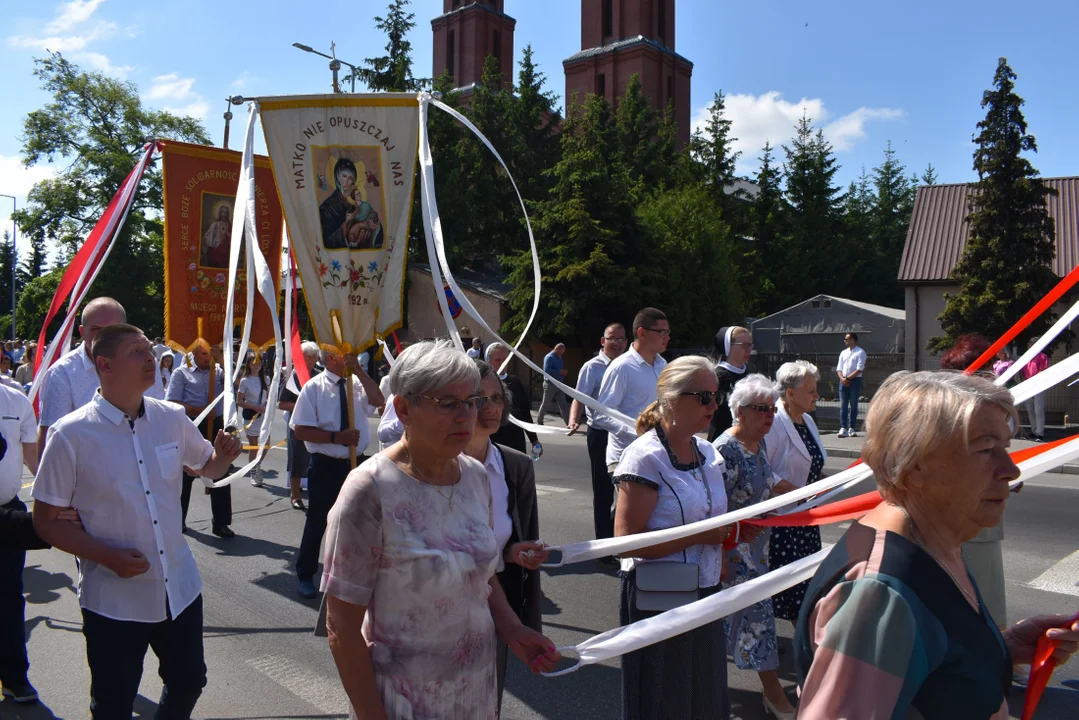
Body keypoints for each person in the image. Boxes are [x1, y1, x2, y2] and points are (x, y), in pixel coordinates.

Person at [794, 370, 1079, 718]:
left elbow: (921, 664)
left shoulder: (935, 541)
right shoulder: (879, 594)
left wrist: (996, 649)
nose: (1010, 469)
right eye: (986, 447)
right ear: (913, 466)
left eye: (1005, 446)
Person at [321, 340, 560, 717]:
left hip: (475, 691)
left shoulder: (476, 477)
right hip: (403, 701)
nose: (467, 417)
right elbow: (341, 628)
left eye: (473, 402)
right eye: (448, 404)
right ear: (403, 408)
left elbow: (479, 572)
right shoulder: (369, 490)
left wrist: (512, 629)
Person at [32, 323, 242, 719]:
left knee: (188, 681)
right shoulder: (70, 435)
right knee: (113, 703)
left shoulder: (172, 417)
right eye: (136, 352)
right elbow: (46, 521)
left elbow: (206, 468)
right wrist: (106, 556)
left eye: (149, 349)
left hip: (178, 587)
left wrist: (223, 457)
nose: (150, 358)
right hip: (113, 599)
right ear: (105, 365)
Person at [613, 355, 732, 720]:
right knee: (666, 700)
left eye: (717, 396)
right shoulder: (644, 457)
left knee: (705, 694)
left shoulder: (710, 453)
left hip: (705, 586)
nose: (713, 406)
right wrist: (703, 535)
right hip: (660, 588)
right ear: (670, 399)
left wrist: (727, 546)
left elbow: (716, 520)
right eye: (703, 397)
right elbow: (627, 542)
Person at [463, 360, 549, 710]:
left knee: (487, 704)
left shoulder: (515, 466)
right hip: (439, 614)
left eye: (497, 397)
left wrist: (515, 553)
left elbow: (515, 541)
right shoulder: (432, 466)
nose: (491, 408)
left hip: (496, 612)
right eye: (478, 399)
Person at [714, 375, 799, 719]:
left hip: (756, 550)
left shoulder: (757, 443)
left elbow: (770, 478)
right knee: (757, 620)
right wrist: (722, 553)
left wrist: (807, 495)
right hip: (731, 551)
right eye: (762, 409)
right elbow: (712, 509)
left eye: (772, 409)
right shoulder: (726, 450)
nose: (769, 416)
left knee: (730, 623)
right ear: (740, 412)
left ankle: (708, 687)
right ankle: (774, 695)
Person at [290, 346, 384, 599]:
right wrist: (337, 438)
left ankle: (352, 574)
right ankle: (305, 573)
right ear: (331, 357)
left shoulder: (356, 384)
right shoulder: (314, 387)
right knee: (318, 520)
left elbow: (379, 400)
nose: (352, 356)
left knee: (359, 521)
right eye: (346, 354)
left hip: (356, 464)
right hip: (326, 464)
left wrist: (361, 371)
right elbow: (301, 431)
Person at [37, 297, 166, 463]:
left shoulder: (148, 363)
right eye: (97, 330)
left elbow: (158, 417)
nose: (105, 338)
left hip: (145, 472)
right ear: (82, 332)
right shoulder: (61, 374)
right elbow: (50, 444)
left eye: (114, 331)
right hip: (88, 479)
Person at [939, 333, 1009, 630]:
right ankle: (994, 661)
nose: (995, 375)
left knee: (983, 595)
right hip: (966, 519)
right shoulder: (957, 416)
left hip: (978, 518)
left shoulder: (984, 412)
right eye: (989, 370)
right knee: (976, 600)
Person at [764, 360, 827, 624]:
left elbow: (815, 464)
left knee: (807, 589)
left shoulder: (808, 420)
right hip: (784, 521)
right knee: (793, 593)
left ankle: (805, 645)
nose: (817, 396)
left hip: (806, 519)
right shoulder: (774, 422)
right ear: (790, 393)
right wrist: (798, 492)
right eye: (811, 391)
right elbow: (764, 471)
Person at [0, 381, 42, 703]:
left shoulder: (16, 401)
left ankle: (14, 676)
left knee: (9, 597)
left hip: (6, 513)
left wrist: (63, 495)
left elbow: (33, 459)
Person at [166, 342, 235, 538]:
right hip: (192, 424)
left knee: (221, 472)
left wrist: (221, 357)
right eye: (205, 353)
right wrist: (199, 410)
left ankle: (221, 522)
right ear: (194, 352)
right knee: (185, 474)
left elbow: (234, 383)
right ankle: (178, 520)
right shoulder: (182, 373)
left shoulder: (220, 371)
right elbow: (171, 402)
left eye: (211, 352)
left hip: (217, 425)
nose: (208, 356)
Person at [568, 323, 628, 543]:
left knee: (628, 489)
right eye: (612, 339)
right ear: (603, 341)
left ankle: (620, 535)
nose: (617, 344)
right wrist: (574, 420)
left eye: (622, 339)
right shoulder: (592, 367)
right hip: (601, 433)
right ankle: (604, 542)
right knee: (603, 491)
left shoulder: (627, 365)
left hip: (626, 435)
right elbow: (579, 397)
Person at [595, 307, 670, 473]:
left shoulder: (662, 365)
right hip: (626, 458)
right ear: (642, 332)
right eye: (661, 332)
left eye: (668, 332)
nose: (667, 337)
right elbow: (601, 414)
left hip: (655, 455)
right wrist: (634, 430)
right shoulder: (622, 367)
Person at [278, 341, 321, 510]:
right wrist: (302, 406)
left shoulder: (320, 375)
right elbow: (282, 403)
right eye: (307, 356)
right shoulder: (293, 376)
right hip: (297, 423)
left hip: (317, 424)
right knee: (297, 458)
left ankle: (313, 491)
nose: (310, 360)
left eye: (313, 356)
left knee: (315, 458)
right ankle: (295, 495)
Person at [485, 343, 541, 456]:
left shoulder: (515, 382)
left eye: (505, 359)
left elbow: (525, 413)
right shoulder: (484, 384)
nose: (502, 363)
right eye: (498, 360)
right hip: (493, 441)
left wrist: (534, 440)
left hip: (516, 440)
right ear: (488, 361)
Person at [707, 325, 752, 441]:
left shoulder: (749, 375)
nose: (748, 349)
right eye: (743, 345)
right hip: (722, 436)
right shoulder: (717, 376)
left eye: (750, 344)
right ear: (728, 347)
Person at [237, 351, 269, 487]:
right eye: (253, 363)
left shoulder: (266, 379)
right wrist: (254, 407)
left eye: (259, 363)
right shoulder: (245, 381)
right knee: (254, 447)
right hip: (251, 416)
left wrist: (265, 406)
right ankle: (254, 473)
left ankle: (257, 464)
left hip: (264, 416)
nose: (256, 365)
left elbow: (269, 397)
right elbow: (240, 401)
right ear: (249, 364)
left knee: (266, 444)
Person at [320, 157, 362, 250]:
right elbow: (326, 243)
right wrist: (346, 222)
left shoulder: (353, 206)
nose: (346, 182)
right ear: (337, 177)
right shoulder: (327, 207)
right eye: (344, 176)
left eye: (350, 178)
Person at [835, 332, 866, 438]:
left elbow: (859, 369)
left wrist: (848, 379)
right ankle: (843, 427)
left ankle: (851, 427)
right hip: (843, 381)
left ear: (853, 340)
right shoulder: (843, 353)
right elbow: (839, 368)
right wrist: (842, 379)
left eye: (847, 339)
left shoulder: (860, 352)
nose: (845, 341)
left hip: (855, 381)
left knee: (853, 404)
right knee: (843, 405)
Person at [1021, 335, 1049, 442]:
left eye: (1030, 343)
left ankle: (1040, 433)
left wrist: (1034, 381)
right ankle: (1034, 431)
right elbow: (1023, 371)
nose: (1028, 345)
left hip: (1038, 385)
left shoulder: (1042, 357)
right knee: (1030, 409)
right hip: (1028, 385)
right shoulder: (1027, 357)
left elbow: (1043, 371)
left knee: (1038, 409)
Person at [536, 342, 569, 425]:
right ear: (556, 349)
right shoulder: (549, 357)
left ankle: (569, 423)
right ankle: (539, 421)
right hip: (550, 384)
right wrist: (560, 371)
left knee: (563, 404)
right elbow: (546, 371)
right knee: (546, 403)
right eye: (561, 352)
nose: (562, 354)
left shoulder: (559, 358)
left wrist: (562, 373)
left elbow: (559, 370)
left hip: (559, 384)